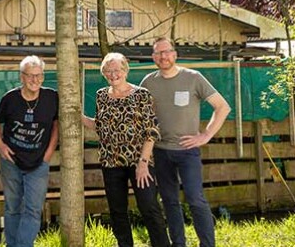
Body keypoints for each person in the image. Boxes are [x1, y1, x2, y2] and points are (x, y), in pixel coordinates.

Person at [142, 37, 232, 247]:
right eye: (158, 53)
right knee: (170, 202)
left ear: (175, 54)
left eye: (167, 52)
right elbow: (144, 117)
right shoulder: (148, 82)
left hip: (187, 151)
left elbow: (222, 107)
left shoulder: (193, 78)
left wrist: (205, 135)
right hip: (161, 151)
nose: (163, 56)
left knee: (195, 199)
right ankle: (178, 243)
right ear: (154, 58)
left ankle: (207, 244)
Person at [82, 53, 170, 247]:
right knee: (117, 211)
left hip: (140, 162)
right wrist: (79, 117)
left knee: (149, 207)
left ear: (125, 70)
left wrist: (143, 163)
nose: (113, 74)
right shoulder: (101, 96)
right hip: (111, 162)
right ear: (104, 73)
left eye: (117, 70)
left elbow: (151, 131)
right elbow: (102, 126)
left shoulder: (141, 94)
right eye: (108, 71)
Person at [0, 55, 59, 247]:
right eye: (30, 76)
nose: (35, 80)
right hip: (11, 161)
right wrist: (0, 145)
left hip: (38, 163)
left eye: (39, 76)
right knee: (12, 207)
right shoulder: (10, 98)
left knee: (33, 208)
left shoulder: (51, 98)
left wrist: (48, 154)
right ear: (22, 77)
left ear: (43, 77)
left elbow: (56, 125)